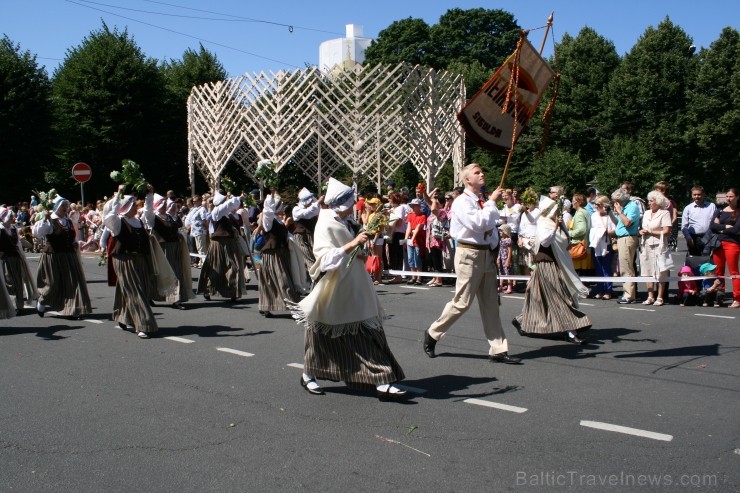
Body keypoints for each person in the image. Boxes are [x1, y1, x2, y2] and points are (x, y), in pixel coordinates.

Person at [289, 177, 407, 401]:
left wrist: (362, 246)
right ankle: (308, 373)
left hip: (354, 284)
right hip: (334, 286)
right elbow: (323, 259)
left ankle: (382, 379)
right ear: (343, 203)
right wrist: (353, 244)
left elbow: (349, 251)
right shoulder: (325, 223)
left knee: (367, 331)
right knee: (321, 334)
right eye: (352, 201)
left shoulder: (345, 221)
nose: (355, 205)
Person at [423, 163, 521, 364]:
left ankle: (498, 349)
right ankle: (433, 333)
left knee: (491, 303)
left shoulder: (481, 201)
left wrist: (492, 240)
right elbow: (478, 224)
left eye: (481, 170)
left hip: (485, 255)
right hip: (468, 254)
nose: (482, 173)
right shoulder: (462, 202)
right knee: (462, 302)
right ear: (468, 179)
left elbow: (490, 227)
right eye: (477, 172)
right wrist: (492, 203)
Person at [512, 195, 592, 344]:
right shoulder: (544, 223)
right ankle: (571, 330)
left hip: (552, 262)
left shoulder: (552, 222)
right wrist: (556, 227)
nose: (557, 212)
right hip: (546, 263)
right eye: (555, 209)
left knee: (537, 296)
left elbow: (566, 242)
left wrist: (561, 227)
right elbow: (545, 241)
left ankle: (522, 320)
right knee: (558, 296)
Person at [103, 187, 159, 339]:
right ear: (126, 207)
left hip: (140, 259)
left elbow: (148, 211)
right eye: (134, 205)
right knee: (136, 291)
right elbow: (109, 215)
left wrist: (149, 194)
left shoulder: (138, 221)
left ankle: (123, 316)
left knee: (135, 289)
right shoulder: (118, 222)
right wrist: (118, 195)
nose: (136, 207)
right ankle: (142, 324)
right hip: (124, 260)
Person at [32, 196, 92, 319]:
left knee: (73, 283)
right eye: (63, 206)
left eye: (66, 205)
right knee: (52, 284)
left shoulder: (68, 221)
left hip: (69, 256)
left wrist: (75, 242)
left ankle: (73, 309)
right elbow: (37, 233)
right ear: (57, 207)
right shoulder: (50, 221)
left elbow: (70, 237)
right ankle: (42, 301)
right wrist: (44, 219)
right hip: (53, 256)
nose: (66, 208)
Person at [143, 193, 193, 310]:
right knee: (160, 273)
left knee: (176, 271)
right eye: (162, 203)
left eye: (165, 204)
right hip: (161, 248)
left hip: (174, 247)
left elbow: (174, 229)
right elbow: (147, 210)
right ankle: (151, 295)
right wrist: (150, 195)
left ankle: (176, 299)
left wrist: (179, 234)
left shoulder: (169, 217)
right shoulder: (153, 218)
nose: (164, 205)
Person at [197, 191, 245, 301]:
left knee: (234, 267)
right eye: (224, 201)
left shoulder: (227, 214)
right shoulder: (217, 212)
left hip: (229, 243)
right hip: (218, 244)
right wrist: (239, 197)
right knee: (216, 268)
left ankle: (232, 291)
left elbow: (231, 208)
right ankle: (208, 289)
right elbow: (227, 205)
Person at [257, 192, 299, 317]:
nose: (283, 207)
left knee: (278, 280)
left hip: (281, 253)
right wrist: (270, 198)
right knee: (282, 280)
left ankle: (267, 306)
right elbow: (268, 212)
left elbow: (287, 235)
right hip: (273, 254)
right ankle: (294, 307)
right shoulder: (268, 220)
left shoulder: (278, 220)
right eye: (281, 205)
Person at [0, 206, 37, 314]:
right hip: (5, 260)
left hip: (15, 258)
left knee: (18, 281)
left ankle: (19, 305)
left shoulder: (13, 229)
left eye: (12, 216)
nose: (12, 218)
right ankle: (12, 306)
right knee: (9, 282)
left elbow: (18, 244)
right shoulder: (1, 230)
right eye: (10, 216)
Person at [638, 191, 672, 306]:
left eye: (651, 201)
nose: (649, 203)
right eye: (649, 201)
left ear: (658, 202)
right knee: (647, 270)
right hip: (646, 244)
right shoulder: (647, 213)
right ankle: (650, 296)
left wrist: (651, 231)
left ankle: (660, 297)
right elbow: (643, 227)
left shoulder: (665, 213)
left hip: (660, 245)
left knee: (660, 270)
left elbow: (666, 231)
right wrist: (641, 231)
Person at [709, 188, 740, 308]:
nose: (728, 199)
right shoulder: (720, 210)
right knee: (719, 271)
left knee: (734, 272)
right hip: (719, 244)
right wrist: (725, 227)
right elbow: (712, 226)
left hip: (733, 244)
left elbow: (736, 229)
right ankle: (720, 296)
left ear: (737, 197)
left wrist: (721, 228)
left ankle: (737, 298)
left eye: (731, 196)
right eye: (727, 196)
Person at [611, 188, 641, 304]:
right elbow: (619, 223)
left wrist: (619, 211)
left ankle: (629, 295)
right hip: (621, 238)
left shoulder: (632, 207)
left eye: (615, 200)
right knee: (624, 267)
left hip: (628, 238)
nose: (614, 203)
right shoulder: (624, 208)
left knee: (627, 267)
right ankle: (627, 293)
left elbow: (628, 223)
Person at [588, 195, 616, 300]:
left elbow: (615, 229)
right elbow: (591, 229)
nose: (595, 206)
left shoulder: (610, 215)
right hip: (596, 243)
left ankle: (608, 290)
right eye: (594, 204)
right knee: (598, 268)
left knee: (606, 268)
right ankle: (600, 290)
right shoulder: (594, 216)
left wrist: (606, 232)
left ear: (604, 205)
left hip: (606, 243)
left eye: (598, 204)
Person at [682, 186, 717, 256]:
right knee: (695, 261)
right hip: (694, 238)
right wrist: (688, 238)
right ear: (692, 195)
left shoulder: (712, 206)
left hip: (709, 237)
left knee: (707, 261)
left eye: (699, 194)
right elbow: (684, 226)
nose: (697, 196)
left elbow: (716, 222)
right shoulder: (688, 208)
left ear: (703, 194)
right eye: (694, 195)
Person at [405, 198, 427, 285]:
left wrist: (413, 239)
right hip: (411, 238)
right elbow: (409, 227)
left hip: (418, 239)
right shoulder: (410, 215)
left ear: (419, 206)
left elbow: (418, 228)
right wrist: (406, 239)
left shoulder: (423, 216)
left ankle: (419, 277)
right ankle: (413, 277)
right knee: (410, 258)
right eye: (412, 206)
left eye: (414, 206)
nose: (413, 207)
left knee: (417, 258)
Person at [184, 195, 209, 268]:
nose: (194, 202)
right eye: (193, 201)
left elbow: (204, 219)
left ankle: (204, 263)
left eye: (195, 201)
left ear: (200, 201)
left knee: (202, 248)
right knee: (199, 248)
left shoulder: (202, 209)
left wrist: (207, 229)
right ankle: (201, 262)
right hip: (195, 232)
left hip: (200, 231)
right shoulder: (195, 209)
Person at [497, 224, 514, 294]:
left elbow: (510, 251)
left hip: (506, 258)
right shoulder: (501, 239)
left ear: (505, 231)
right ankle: (501, 285)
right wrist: (498, 257)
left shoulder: (508, 240)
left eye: (501, 231)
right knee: (501, 271)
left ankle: (509, 286)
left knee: (508, 272)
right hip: (501, 258)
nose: (500, 232)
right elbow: (500, 249)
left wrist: (508, 260)